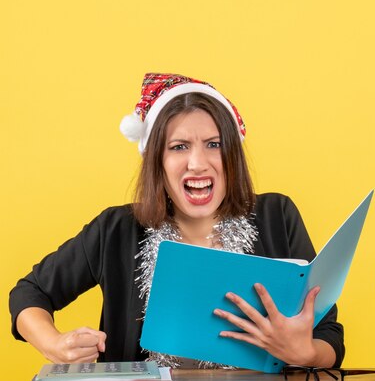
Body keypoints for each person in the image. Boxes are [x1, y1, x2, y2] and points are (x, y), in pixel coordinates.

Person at [9, 73, 344, 369]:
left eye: (214, 145)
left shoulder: (277, 217)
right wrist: (53, 345)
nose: (197, 163)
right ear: (158, 161)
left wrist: (305, 354)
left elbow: (328, 336)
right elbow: (30, 293)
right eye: (179, 146)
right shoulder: (117, 229)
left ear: (231, 156)